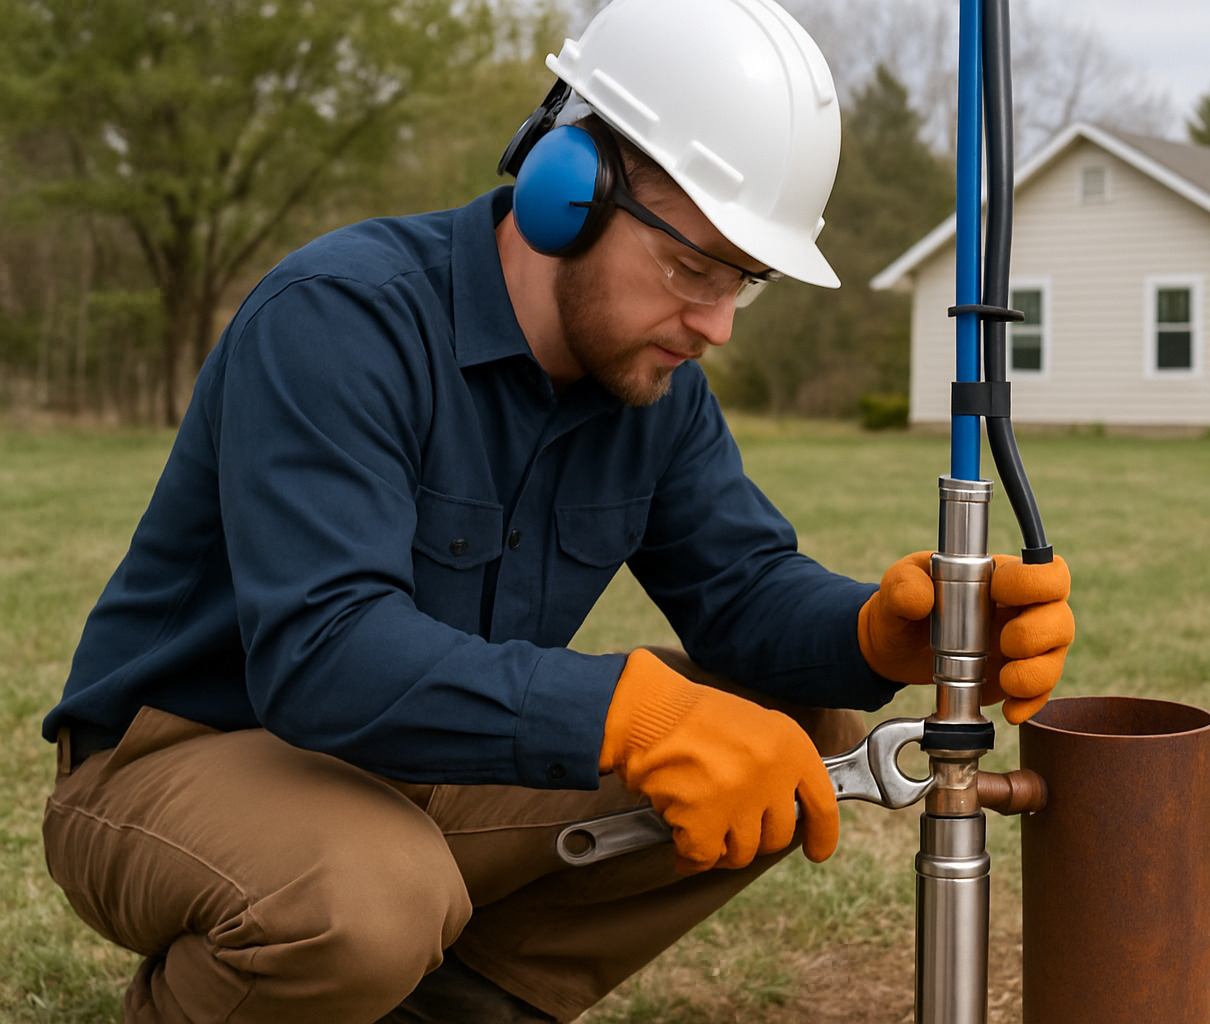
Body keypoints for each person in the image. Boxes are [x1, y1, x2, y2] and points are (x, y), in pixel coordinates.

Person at [39, 0, 1075, 1021]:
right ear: (564, 189)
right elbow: (323, 652)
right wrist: (628, 713)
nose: (715, 322)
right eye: (691, 266)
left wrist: (880, 632)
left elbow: (743, 592)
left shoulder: (653, 390)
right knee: (369, 896)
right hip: (175, 761)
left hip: (410, 770)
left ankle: (445, 1006)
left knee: (791, 727)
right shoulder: (340, 320)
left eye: (744, 282)